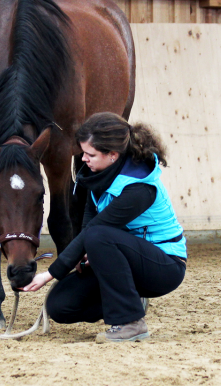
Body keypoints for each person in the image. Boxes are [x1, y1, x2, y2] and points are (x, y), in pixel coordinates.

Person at [22, 112, 187, 343]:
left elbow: (96, 230)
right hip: (125, 257)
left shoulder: (139, 188)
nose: (84, 160)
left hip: (164, 266)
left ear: (112, 155)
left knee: (99, 236)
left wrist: (49, 274)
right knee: (60, 305)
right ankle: (130, 299)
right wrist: (83, 255)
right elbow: (91, 214)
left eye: (90, 154)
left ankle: (131, 322)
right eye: (83, 154)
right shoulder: (101, 174)